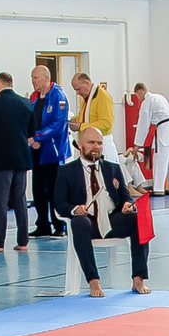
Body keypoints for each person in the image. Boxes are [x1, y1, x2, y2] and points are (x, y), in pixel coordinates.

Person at [59, 126, 145, 297]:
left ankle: (138, 278)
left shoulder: (112, 168)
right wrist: (76, 210)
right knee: (79, 222)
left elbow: (125, 197)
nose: (96, 147)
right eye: (91, 143)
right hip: (87, 222)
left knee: (138, 219)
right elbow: (59, 203)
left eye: (99, 143)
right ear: (80, 145)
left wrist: (128, 205)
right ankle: (94, 281)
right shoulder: (66, 171)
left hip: (112, 220)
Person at [0, 71, 36, 251]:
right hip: (21, 157)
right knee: (20, 200)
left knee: (1, 201)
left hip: (1, 157)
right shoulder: (26, 102)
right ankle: (23, 241)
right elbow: (31, 131)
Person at [28, 63, 71, 237]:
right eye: (32, 78)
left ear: (46, 79)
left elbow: (58, 125)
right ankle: (42, 224)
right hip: (36, 151)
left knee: (54, 189)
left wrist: (37, 137)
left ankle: (59, 224)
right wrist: (31, 139)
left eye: (36, 78)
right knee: (38, 189)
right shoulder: (33, 97)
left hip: (53, 151)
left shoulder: (58, 96)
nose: (33, 81)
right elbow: (28, 120)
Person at [131, 84, 169, 195]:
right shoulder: (159, 97)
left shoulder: (147, 101)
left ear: (140, 92)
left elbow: (143, 125)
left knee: (160, 159)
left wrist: (137, 145)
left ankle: (158, 189)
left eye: (137, 95)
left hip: (164, 130)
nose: (138, 98)